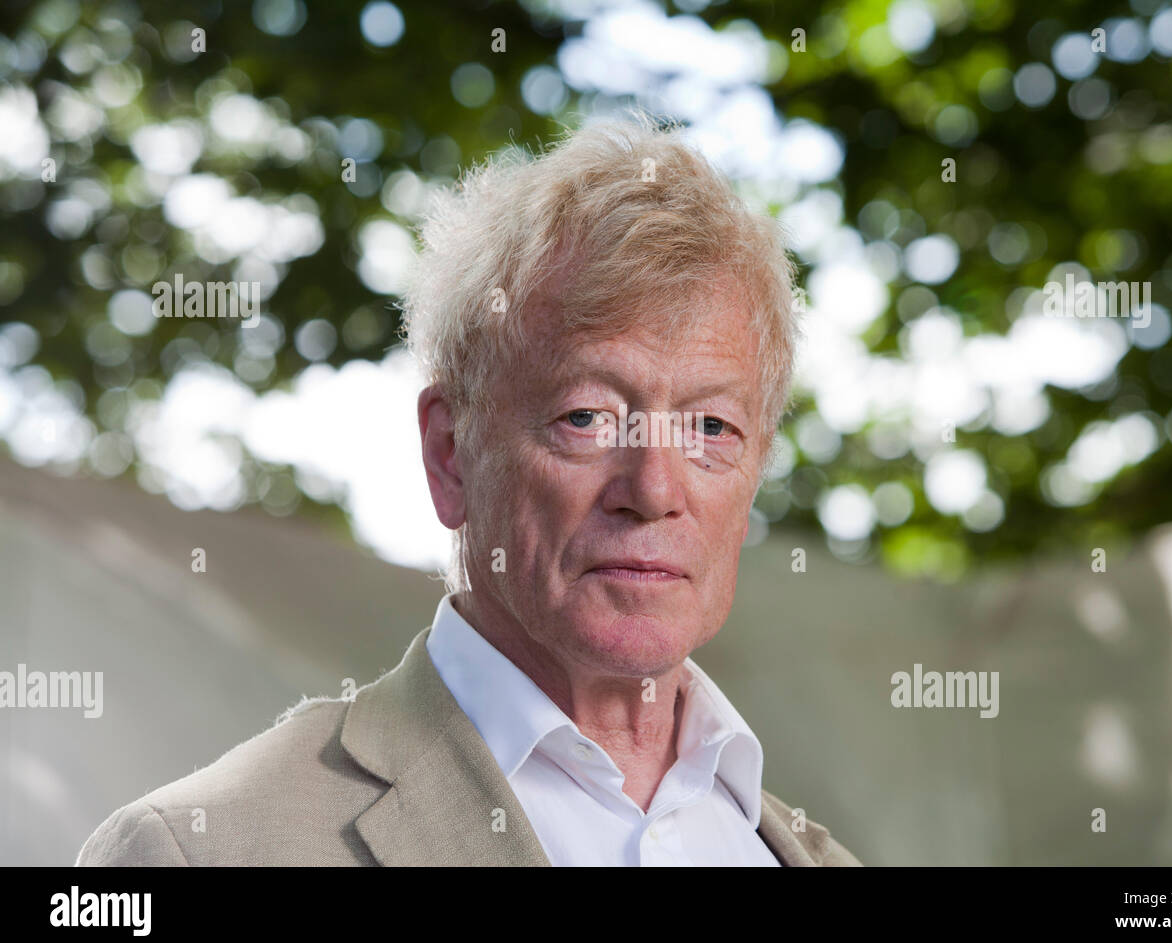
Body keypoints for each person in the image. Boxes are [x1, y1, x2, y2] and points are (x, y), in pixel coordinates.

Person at [76, 111, 862, 866]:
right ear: (451, 454)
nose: (653, 489)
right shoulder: (195, 853)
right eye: (586, 416)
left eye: (711, 429)